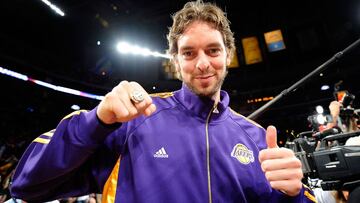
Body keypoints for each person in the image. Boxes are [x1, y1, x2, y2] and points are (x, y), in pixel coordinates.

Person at [10, 1, 315, 202]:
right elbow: (26, 184)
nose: (203, 64)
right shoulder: (133, 121)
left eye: (212, 50)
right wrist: (96, 120)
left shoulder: (259, 140)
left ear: (228, 55)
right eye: (189, 53)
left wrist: (294, 194)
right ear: (175, 61)